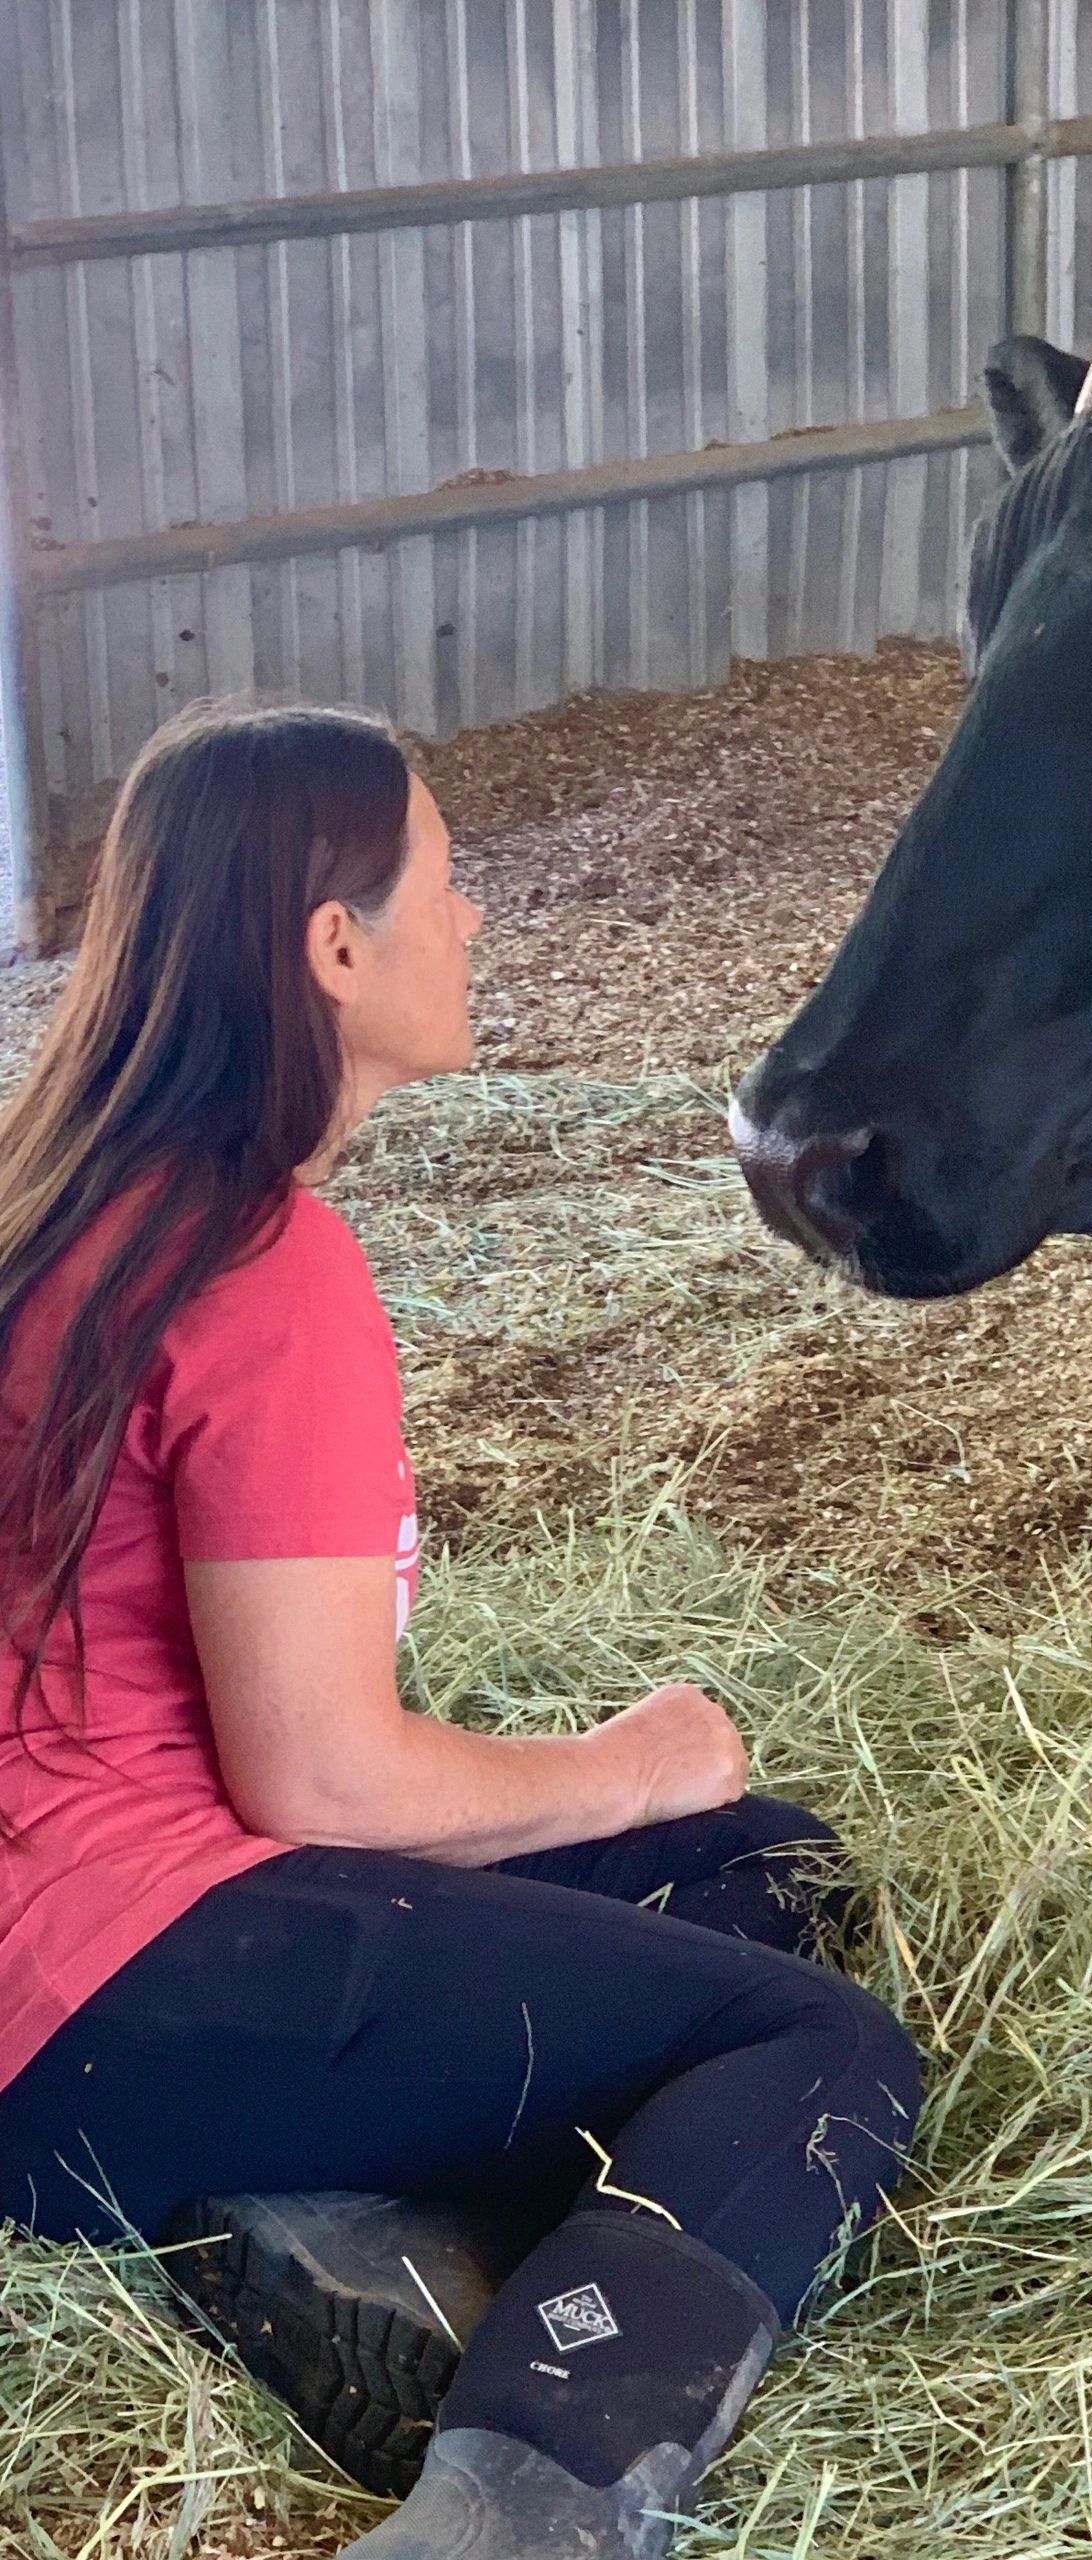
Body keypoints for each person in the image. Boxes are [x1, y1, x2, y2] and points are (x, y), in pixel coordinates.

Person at [0, 706, 921, 2560]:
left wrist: (642, 1808)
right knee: (816, 2051)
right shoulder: (258, 1273)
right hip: (95, 1992)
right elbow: (321, 1774)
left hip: (85, 1955)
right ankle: (520, 2509)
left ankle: (370, 2246)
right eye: (444, 880)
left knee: (752, 1869)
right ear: (334, 951)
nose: (477, 919)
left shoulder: (68, 1204)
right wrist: (623, 1759)